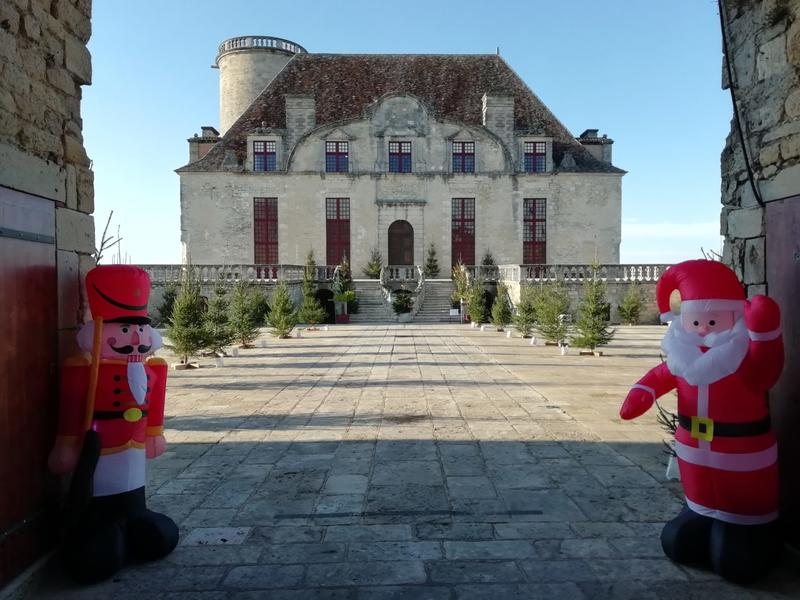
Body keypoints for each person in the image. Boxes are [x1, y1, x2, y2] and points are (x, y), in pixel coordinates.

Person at [620, 259, 784, 584]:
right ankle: (701, 512)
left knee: (734, 557)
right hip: (694, 454)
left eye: (712, 321)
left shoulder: (740, 357)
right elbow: (662, 374)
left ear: (734, 317)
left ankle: (747, 528)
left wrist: (765, 334)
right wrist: (642, 391)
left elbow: (765, 369)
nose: (704, 329)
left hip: (740, 456)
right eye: (696, 321)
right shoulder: (684, 357)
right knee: (679, 541)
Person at [48, 265, 178, 582]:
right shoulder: (82, 370)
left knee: (138, 497)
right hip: (101, 443)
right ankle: (102, 524)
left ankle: (135, 514)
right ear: (99, 332)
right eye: (123, 331)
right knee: (101, 504)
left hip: (133, 444)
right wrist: (66, 443)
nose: (134, 338)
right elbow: (72, 406)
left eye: (140, 331)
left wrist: (154, 431)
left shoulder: (151, 369)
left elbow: (155, 402)